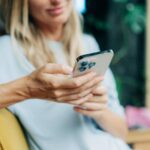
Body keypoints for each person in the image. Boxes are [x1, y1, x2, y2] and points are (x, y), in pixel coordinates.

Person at [0, 0, 131, 149]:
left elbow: (122, 132)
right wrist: (29, 89)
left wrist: (99, 111)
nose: (57, 1)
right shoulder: (7, 50)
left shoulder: (88, 44)